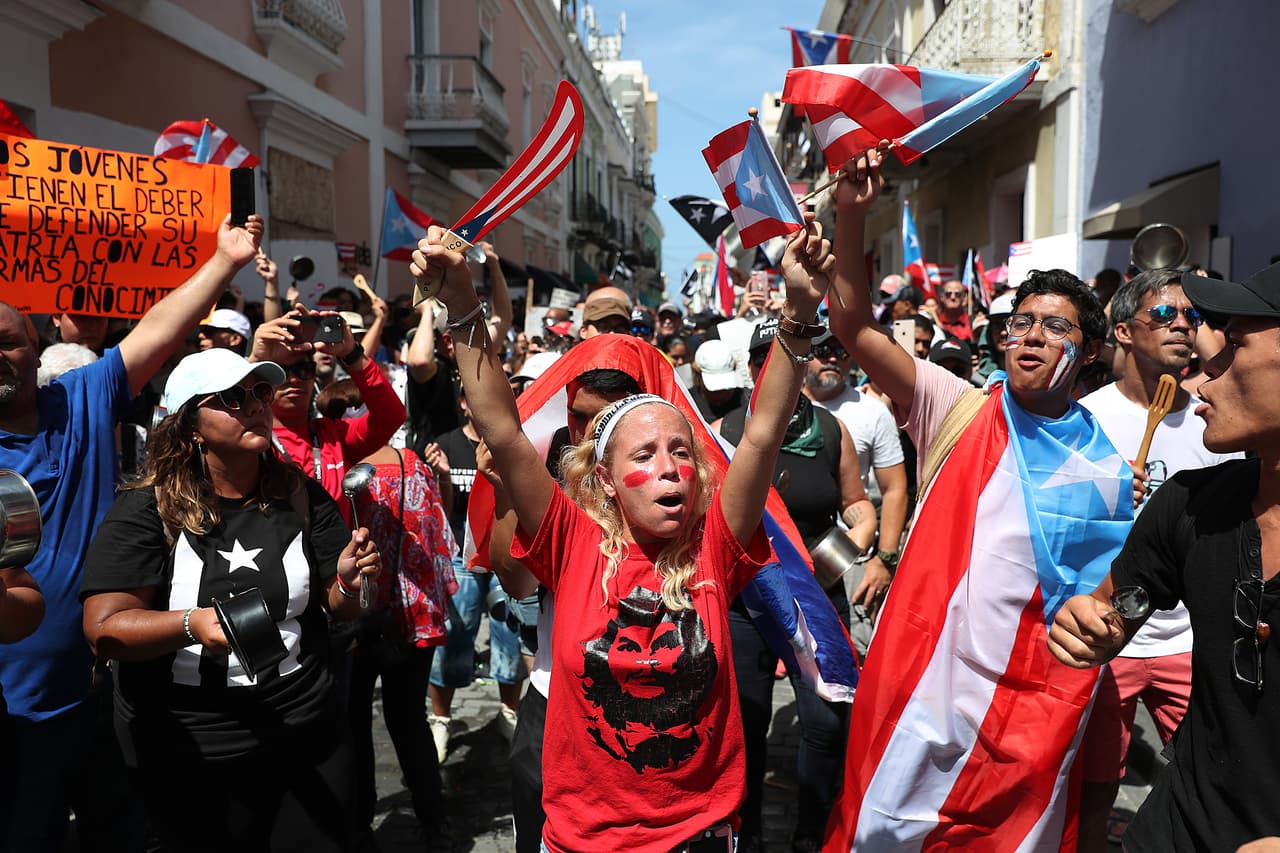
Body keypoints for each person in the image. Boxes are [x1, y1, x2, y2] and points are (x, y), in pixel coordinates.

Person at [410, 215, 834, 851]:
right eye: (643, 456)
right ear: (603, 479)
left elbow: (764, 431)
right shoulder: (568, 540)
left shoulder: (716, 543)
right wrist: (466, 302)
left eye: (681, 452)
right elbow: (499, 426)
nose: (667, 468)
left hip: (700, 835)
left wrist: (800, 309)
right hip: (584, 838)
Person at [822, 150, 1132, 851]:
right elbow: (854, 329)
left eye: (1056, 326)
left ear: (1087, 353)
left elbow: (1106, 590)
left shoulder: (1106, 462)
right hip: (927, 689)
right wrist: (850, 214)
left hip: (1031, 710)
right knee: (884, 829)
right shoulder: (956, 406)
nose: (1032, 335)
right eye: (1022, 321)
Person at [0, 214, 264, 853]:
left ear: (35, 343)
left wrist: (226, 260)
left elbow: (157, 331)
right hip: (15, 715)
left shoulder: (81, 400)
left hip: (115, 689)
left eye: (5, 341)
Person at [79, 348, 379, 851]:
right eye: (232, 398)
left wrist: (349, 581)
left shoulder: (300, 493)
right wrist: (193, 625)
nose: (255, 405)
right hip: (191, 752)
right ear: (190, 426)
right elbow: (104, 629)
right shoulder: (145, 510)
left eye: (260, 392)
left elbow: (341, 604)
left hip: (305, 731)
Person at [1049, 261, 1280, 852]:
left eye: (1232, 349)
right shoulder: (1189, 504)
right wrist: (1095, 624)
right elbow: (1120, 603)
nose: (1202, 381)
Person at [716, 319, 878, 853]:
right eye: (767, 359)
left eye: (790, 356)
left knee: (828, 720)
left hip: (815, 592)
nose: (778, 367)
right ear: (754, 370)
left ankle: (812, 833)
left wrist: (863, 526)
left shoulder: (832, 431)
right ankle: (750, 831)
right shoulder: (724, 432)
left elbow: (854, 499)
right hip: (746, 600)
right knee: (747, 719)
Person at [315, 380, 459, 844]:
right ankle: (432, 819)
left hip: (355, 612)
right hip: (412, 617)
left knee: (355, 724)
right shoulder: (412, 463)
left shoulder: (337, 473)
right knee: (408, 720)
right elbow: (442, 538)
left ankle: (359, 825)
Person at [249, 306, 406, 510]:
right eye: (282, 371)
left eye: (304, 369)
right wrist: (253, 362)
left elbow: (391, 416)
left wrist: (352, 354)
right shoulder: (247, 440)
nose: (295, 379)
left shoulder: (333, 436)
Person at [803, 331, 908, 629]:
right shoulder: (784, 407)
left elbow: (895, 488)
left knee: (852, 655)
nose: (833, 358)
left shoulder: (872, 412)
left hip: (849, 556)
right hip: (790, 551)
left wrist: (884, 559)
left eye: (842, 351)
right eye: (822, 350)